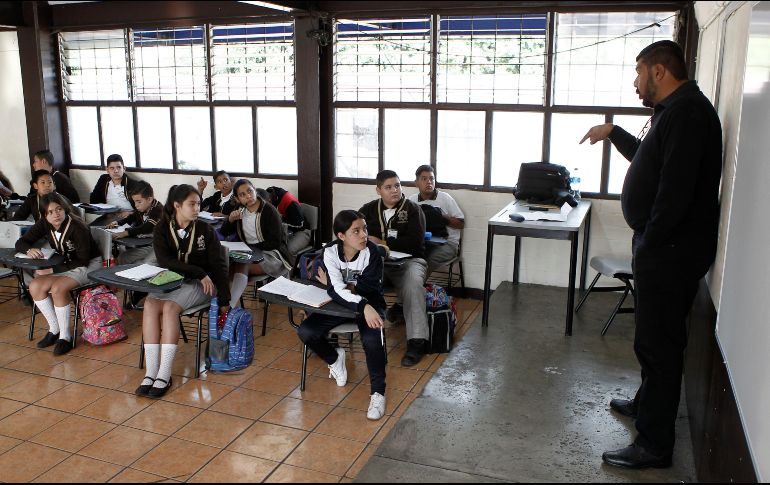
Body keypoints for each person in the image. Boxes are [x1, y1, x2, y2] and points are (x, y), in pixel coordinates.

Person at [580, 40, 722, 469]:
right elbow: (649, 160)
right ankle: (646, 404)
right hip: (663, 248)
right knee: (650, 342)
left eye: (639, 72)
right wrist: (613, 133)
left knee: (660, 348)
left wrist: (650, 244)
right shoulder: (671, 111)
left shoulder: (688, 114)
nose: (635, 82)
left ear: (659, 71)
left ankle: (654, 445)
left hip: (669, 252)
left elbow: (674, 193)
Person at [137, 184, 231, 398]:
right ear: (177, 205)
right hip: (172, 281)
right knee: (150, 304)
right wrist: (198, 271)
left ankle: (164, 373)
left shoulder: (205, 230)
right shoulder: (162, 228)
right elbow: (165, 261)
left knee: (169, 308)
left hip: (202, 285)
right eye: (192, 204)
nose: (197, 208)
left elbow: (219, 266)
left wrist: (224, 299)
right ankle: (151, 372)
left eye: (198, 204)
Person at [297, 210, 388, 420]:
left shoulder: (373, 252)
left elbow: (367, 288)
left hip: (371, 303)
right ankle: (335, 358)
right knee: (306, 331)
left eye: (364, 229)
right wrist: (342, 290)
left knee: (372, 340)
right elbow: (336, 291)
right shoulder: (330, 252)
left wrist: (338, 286)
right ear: (341, 236)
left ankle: (378, 393)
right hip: (345, 305)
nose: (364, 235)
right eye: (356, 231)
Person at [15, 193, 102, 356]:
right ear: (44, 215)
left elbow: (82, 260)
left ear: (65, 209)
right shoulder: (44, 224)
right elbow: (21, 242)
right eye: (50, 212)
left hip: (89, 264)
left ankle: (65, 337)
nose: (55, 214)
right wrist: (29, 249)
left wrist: (51, 271)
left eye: (59, 209)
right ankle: (54, 329)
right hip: (65, 264)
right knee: (35, 286)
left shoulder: (78, 227)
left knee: (58, 289)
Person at [358, 170, 429, 367]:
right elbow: (353, 233)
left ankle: (417, 342)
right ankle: (342, 329)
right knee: (352, 279)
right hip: (377, 263)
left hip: (410, 262)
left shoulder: (413, 210)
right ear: (378, 190)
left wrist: (382, 242)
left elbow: (415, 244)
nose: (394, 190)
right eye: (388, 187)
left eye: (397, 186)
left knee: (413, 286)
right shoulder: (367, 210)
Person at [220, 179, 292, 308]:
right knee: (228, 267)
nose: (248, 196)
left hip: (272, 255)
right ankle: (232, 309)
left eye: (249, 191)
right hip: (249, 253)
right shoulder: (240, 209)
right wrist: (230, 219)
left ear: (254, 189)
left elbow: (275, 242)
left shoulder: (269, 211)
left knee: (242, 265)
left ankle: (228, 308)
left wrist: (250, 248)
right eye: (242, 195)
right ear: (237, 199)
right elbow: (224, 232)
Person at [408, 165, 465, 276]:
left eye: (431, 178)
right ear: (416, 183)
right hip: (422, 242)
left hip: (447, 244)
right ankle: (407, 283)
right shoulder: (412, 200)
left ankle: (417, 284)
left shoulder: (445, 198)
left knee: (427, 260)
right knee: (408, 256)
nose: (429, 182)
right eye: (424, 179)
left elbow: (461, 224)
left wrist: (441, 217)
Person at [107, 180, 162, 264]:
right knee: (123, 258)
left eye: (139, 202)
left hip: (158, 245)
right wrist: (118, 223)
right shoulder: (144, 207)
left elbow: (147, 227)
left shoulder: (158, 210)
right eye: (134, 201)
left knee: (144, 264)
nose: (136, 205)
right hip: (146, 242)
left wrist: (125, 233)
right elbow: (132, 217)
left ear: (149, 199)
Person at [265, 186, 310, 257]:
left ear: (271, 199)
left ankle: (292, 264)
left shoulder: (291, 203)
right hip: (288, 231)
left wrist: (279, 220)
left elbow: (300, 224)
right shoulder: (273, 195)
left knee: (287, 250)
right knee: (272, 245)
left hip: (302, 231)